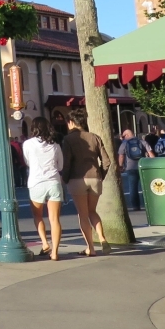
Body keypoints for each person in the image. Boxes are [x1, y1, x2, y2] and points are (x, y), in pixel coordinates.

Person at [62, 109, 113, 257]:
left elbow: (67, 163)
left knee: (83, 215)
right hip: (95, 178)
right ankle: (102, 238)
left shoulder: (68, 140)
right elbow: (107, 161)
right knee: (92, 211)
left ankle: (90, 248)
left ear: (71, 122)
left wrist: (65, 179)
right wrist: (100, 175)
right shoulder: (95, 137)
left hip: (77, 178)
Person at [24, 116, 64, 260]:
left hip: (36, 182)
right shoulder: (55, 145)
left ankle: (45, 243)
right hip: (53, 182)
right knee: (55, 219)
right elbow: (61, 166)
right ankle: (55, 252)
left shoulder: (28, 144)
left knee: (38, 216)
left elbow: (27, 162)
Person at [117, 129, 153, 212]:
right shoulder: (142, 142)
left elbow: (121, 156)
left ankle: (135, 206)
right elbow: (151, 154)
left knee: (133, 188)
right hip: (142, 166)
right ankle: (149, 204)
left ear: (127, 135)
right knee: (146, 186)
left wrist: (120, 166)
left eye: (123, 136)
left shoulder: (124, 144)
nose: (122, 138)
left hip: (130, 168)